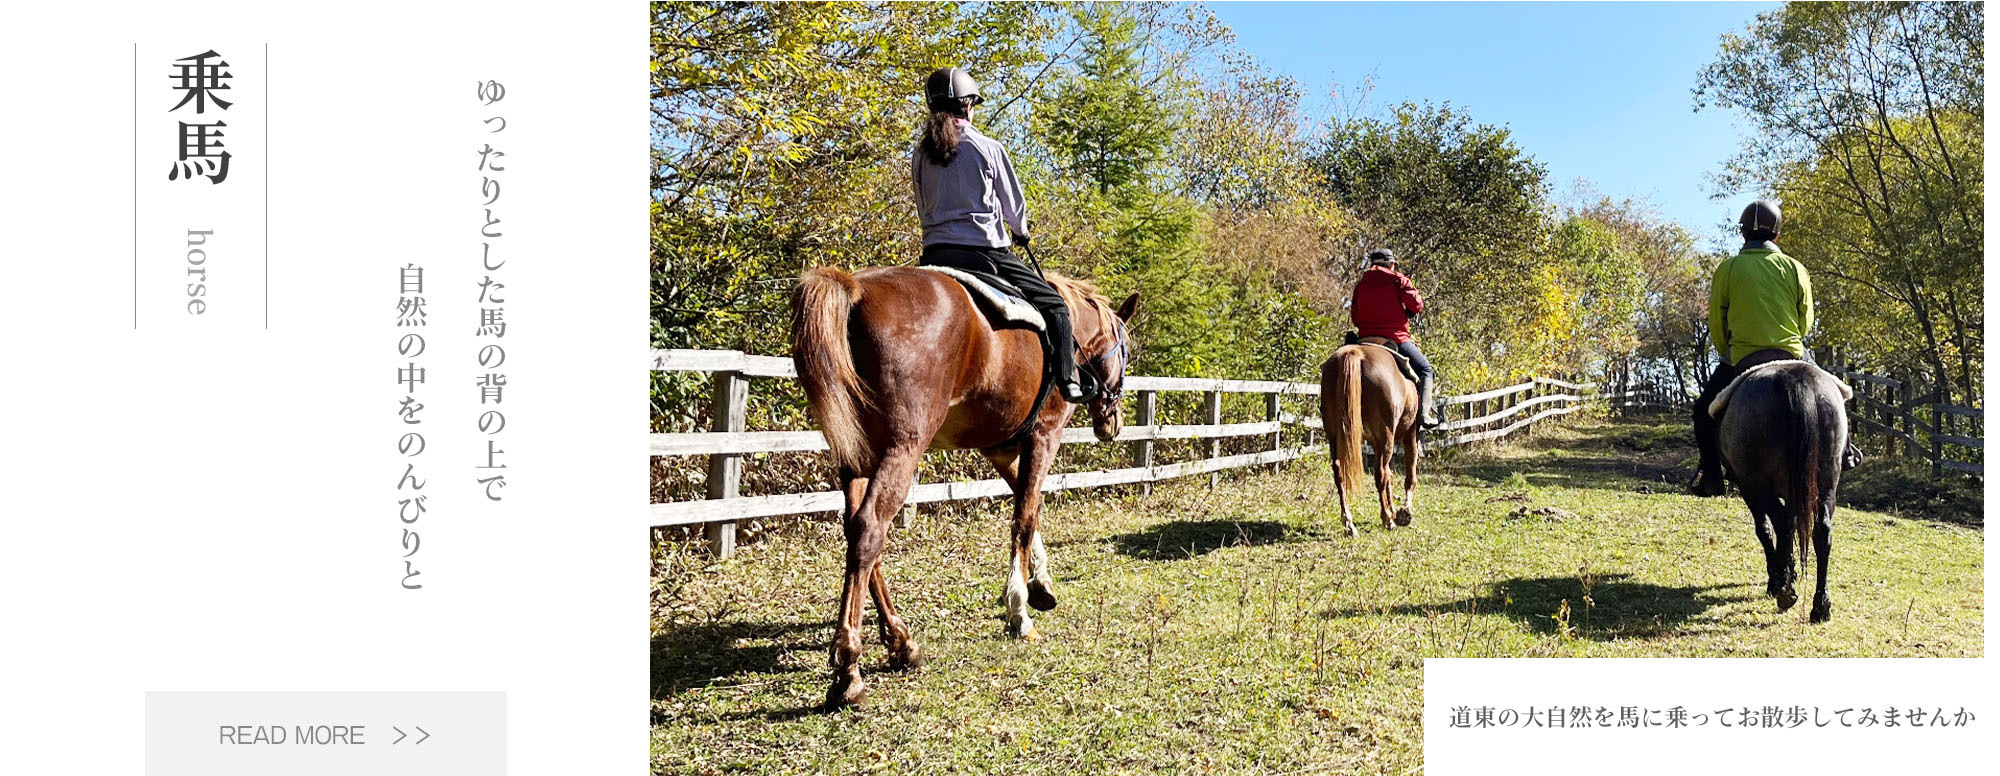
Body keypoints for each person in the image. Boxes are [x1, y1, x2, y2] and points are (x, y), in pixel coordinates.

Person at [910, 66, 1094, 404]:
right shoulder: (986, 147)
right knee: (1055, 305)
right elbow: (1014, 206)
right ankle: (1068, 381)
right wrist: (1021, 232)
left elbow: (923, 208)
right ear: (966, 106)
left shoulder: (921, 154)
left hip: (935, 254)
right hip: (984, 253)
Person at [1690, 199, 1862, 496]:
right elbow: (1805, 319)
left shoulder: (1728, 269)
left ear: (1742, 233)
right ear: (1777, 235)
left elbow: (1717, 323)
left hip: (1743, 356)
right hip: (1793, 352)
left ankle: (1711, 475)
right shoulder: (1796, 268)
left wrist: (1729, 352)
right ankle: (1845, 451)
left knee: (1702, 413)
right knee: (1834, 395)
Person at [1350, 248, 1438, 427]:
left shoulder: (1361, 285)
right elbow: (1417, 305)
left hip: (1365, 339)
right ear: (1391, 264)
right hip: (1395, 339)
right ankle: (1424, 415)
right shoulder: (1398, 280)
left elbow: (1356, 318)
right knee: (1426, 370)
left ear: (1372, 264)